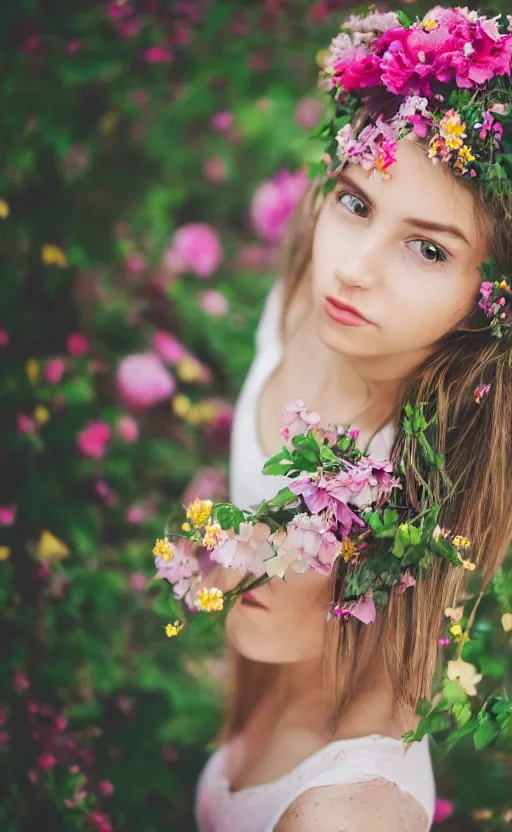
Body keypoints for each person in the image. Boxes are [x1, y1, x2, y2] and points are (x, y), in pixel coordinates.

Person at [193, 7, 512, 830]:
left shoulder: (414, 473)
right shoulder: (312, 286)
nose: (354, 269)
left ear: (493, 300)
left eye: (430, 248)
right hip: (255, 717)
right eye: (355, 201)